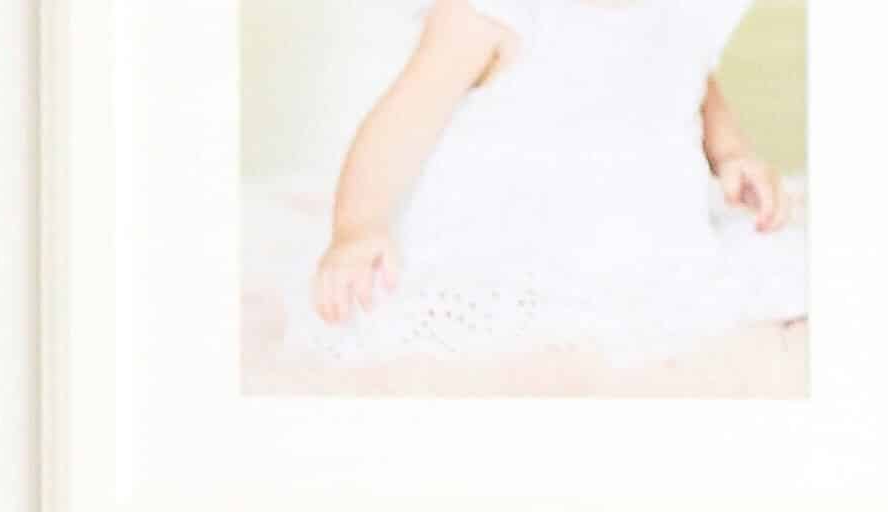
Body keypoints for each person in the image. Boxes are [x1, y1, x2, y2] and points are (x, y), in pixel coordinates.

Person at [285, 0, 801, 384]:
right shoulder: (494, 14)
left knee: (781, 269)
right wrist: (360, 225)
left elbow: (693, 79)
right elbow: (404, 120)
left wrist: (731, 152)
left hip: (647, 234)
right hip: (507, 236)